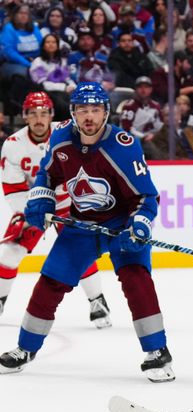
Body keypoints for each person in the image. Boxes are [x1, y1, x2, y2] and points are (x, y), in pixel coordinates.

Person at [0, 83, 174, 383]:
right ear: (73, 113)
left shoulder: (123, 144)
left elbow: (146, 197)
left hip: (122, 224)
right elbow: (48, 172)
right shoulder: (62, 138)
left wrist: (140, 225)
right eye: (83, 110)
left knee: (137, 280)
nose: (89, 116)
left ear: (106, 112)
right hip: (81, 224)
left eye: (95, 110)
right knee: (50, 282)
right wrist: (41, 198)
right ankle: (25, 348)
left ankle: (157, 352)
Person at [0, 92, 111, 328]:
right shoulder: (13, 145)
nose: (39, 119)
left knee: (77, 250)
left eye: (43, 113)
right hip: (34, 204)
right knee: (9, 252)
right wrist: (32, 213)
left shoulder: (67, 132)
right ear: (24, 116)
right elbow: (12, 187)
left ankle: (97, 301)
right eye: (33, 114)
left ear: (51, 114)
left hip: (68, 200)